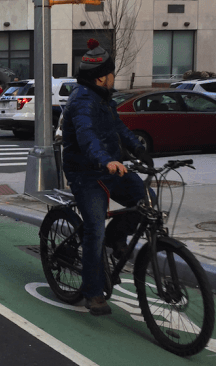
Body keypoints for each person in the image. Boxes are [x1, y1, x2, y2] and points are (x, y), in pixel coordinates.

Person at [61, 38, 154, 316]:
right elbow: (87, 137)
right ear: (102, 77)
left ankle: (116, 237)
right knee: (94, 229)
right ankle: (93, 293)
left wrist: (138, 148)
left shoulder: (103, 99)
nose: (115, 77)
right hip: (86, 173)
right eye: (112, 73)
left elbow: (118, 127)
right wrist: (106, 160)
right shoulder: (82, 102)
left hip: (111, 168)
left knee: (146, 200)